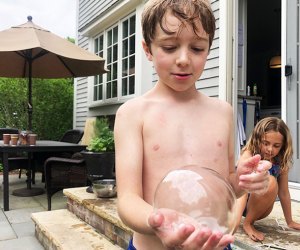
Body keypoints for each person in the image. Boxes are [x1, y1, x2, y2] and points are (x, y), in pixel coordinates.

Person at [114, 0, 271, 249]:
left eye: (197, 48)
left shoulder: (222, 112)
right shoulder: (133, 114)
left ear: (208, 49)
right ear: (147, 49)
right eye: (169, 47)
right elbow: (127, 200)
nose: (184, 59)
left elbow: (223, 188)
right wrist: (159, 221)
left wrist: (240, 181)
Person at [235, 117, 300, 242]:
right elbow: (241, 189)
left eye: (276, 146)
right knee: (267, 180)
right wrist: (236, 222)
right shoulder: (249, 155)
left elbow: (284, 193)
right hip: (238, 203)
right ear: (257, 139)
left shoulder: (281, 163)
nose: (270, 149)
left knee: (270, 181)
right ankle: (247, 224)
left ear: (283, 146)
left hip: (260, 209)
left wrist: (290, 221)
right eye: (265, 143)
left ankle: (250, 220)